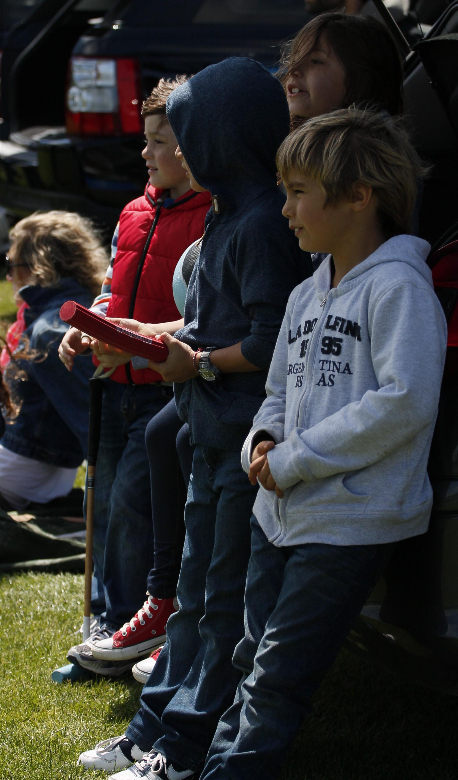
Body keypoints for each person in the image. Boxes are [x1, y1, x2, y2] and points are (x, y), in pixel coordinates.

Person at [196, 108, 447, 780]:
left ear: (359, 195)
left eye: (298, 192)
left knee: (276, 676)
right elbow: (277, 388)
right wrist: (263, 439)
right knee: (251, 659)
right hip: (278, 513)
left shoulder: (400, 288)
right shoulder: (306, 293)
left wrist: (295, 460)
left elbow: (404, 402)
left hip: (347, 523)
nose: (284, 210)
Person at [77, 56, 309, 775]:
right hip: (204, 434)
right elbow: (209, 323)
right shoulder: (224, 214)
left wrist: (198, 361)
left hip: (241, 444)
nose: (179, 152)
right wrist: (150, 336)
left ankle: (182, 748)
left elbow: (269, 341)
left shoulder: (264, 224)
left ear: (224, 138)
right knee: (189, 597)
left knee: (220, 606)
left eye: (190, 136)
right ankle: (151, 729)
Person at [59, 77, 211, 676]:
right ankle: (105, 623)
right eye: (145, 140)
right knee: (103, 507)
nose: (146, 152)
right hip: (112, 389)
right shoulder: (133, 211)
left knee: (132, 510)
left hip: (159, 391)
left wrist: (136, 346)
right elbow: (110, 290)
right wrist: (91, 324)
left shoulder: (210, 219)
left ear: (193, 147)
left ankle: (130, 628)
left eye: (159, 141)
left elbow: (200, 320)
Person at [0, 211, 106, 513]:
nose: (8, 277)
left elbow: (91, 419)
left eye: (10, 264)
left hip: (27, 469)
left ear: (37, 266)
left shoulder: (52, 329)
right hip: (35, 463)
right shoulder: (71, 309)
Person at [278, 12, 403, 128]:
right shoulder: (289, 131)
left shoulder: (361, 142)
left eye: (316, 61)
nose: (293, 70)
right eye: (295, 59)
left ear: (362, 79)